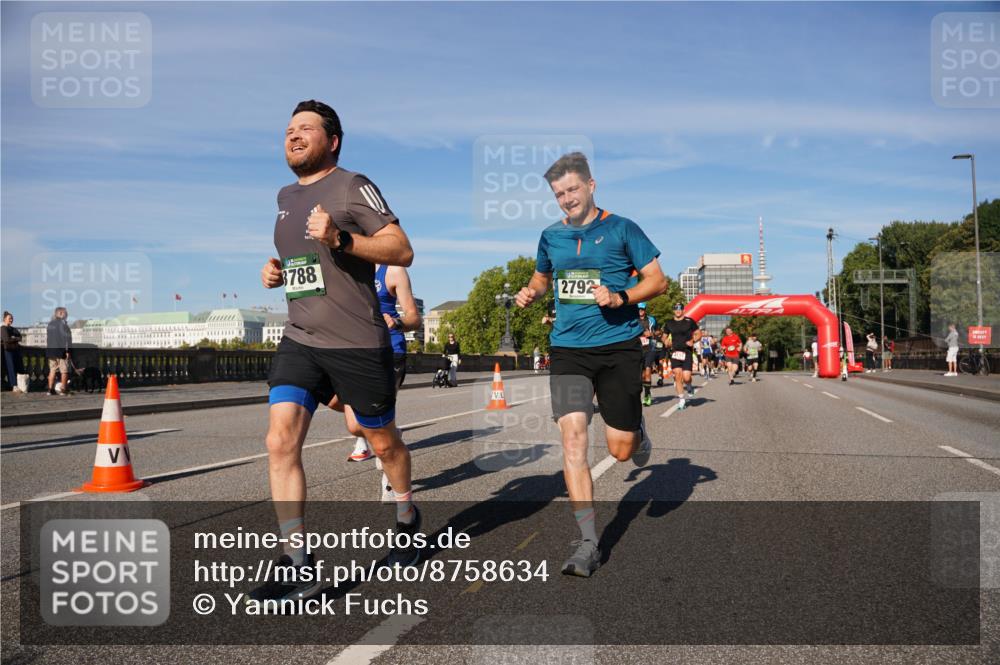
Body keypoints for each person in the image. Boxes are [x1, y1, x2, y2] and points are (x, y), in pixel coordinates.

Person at [254, 100, 418, 603]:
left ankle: (406, 515)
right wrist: (276, 270)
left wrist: (341, 237)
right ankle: (297, 561)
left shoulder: (352, 185)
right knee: (280, 441)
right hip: (300, 338)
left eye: (306, 128)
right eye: (289, 129)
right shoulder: (284, 195)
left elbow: (401, 248)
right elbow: (305, 261)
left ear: (333, 140)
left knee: (383, 444)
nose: (293, 135)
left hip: (356, 342)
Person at [515, 152, 666, 578]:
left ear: (591, 185)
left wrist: (621, 297)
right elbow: (542, 277)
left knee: (621, 451)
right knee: (573, 441)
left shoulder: (622, 228)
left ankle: (636, 429)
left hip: (618, 347)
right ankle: (587, 541)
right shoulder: (550, 236)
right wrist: (531, 292)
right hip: (568, 350)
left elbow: (657, 280)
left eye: (572, 189)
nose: (567, 199)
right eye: (559, 194)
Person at [345, 264, 422, 471]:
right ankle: (389, 434)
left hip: (389, 350)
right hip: (355, 350)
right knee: (354, 425)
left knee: (381, 416)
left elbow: (414, 318)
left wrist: (396, 322)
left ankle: (390, 478)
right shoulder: (347, 265)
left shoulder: (393, 270)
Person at [662, 303, 701, 409]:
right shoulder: (669, 323)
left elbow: (698, 333)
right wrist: (666, 342)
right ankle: (681, 399)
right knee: (677, 375)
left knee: (686, 377)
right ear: (673, 311)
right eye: (676, 309)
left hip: (687, 352)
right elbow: (664, 337)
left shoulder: (689, 321)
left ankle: (689, 386)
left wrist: (693, 340)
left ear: (683, 310)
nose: (678, 311)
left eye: (680, 309)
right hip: (675, 352)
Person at [46, 307, 72, 395]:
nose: (67, 315)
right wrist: (67, 351)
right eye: (66, 313)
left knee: (52, 370)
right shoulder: (63, 324)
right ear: (60, 313)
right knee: (64, 371)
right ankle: (63, 390)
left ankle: (50, 390)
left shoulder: (50, 324)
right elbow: (67, 339)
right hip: (61, 351)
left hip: (51, 351)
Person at [638, 303, 659, 406]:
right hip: (638, 349)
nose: (640, 311)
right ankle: (646, 390)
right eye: (639, 309)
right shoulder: (633, 320)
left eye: (642, 309)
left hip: (650, 348)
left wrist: (652, 334)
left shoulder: (652, 319)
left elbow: (659, 331)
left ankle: (647, 395)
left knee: (647, 370)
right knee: (641, 375)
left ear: (645, 309)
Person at [2, 312, 25, 393]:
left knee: (18, 367)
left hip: (15, 350)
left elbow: (20, 337)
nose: (11, 320)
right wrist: (15, 338)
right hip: (8, 351)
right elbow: (6, 339)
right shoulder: (3, 328)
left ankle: (19, 384)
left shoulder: (13, 328)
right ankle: (13, 385)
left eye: (12, 318)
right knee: (11, 368)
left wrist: (13, 338)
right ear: (4, 319)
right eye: (9, 318)